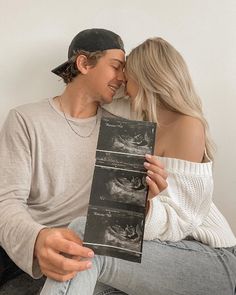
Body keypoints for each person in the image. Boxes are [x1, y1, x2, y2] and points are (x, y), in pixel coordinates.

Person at [40, 37, 236, 294]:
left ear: (145, 80)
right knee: (81, 251)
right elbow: (99, 95)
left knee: (87, 243)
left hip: (209, 257)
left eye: (128, 76)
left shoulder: (187, 126)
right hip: (157, 250)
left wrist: (148, 205)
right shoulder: (141, 121)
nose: (122, 82)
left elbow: (181, 224)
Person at [0, 28, 167, 294]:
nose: (123, 78)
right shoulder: (25, 119)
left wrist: (147, 204)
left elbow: (120, 222)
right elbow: (6, 201)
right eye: (116, 67)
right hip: (37, 261)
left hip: (97, 260)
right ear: (83, 63)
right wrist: (38, 239)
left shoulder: (123, 132)